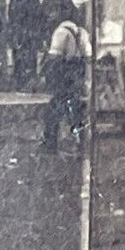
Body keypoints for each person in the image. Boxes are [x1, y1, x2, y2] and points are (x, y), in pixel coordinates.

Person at [41, 13, 90, 154]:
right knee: (76, 109)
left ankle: (50, 143)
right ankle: (81, 142)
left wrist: (48, 80)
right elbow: (87, 57)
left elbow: (54, 59)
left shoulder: (60, 32)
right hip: (77, 71)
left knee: (54, 110)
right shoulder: (83, 33)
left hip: (64, 72)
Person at [6, 0, 44, 89]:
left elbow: (13, 17)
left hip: (21, 34)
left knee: (20, 59)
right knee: (29, 60)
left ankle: (21, 83)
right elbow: (38, 18)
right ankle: (28, 84)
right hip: (29, 34)